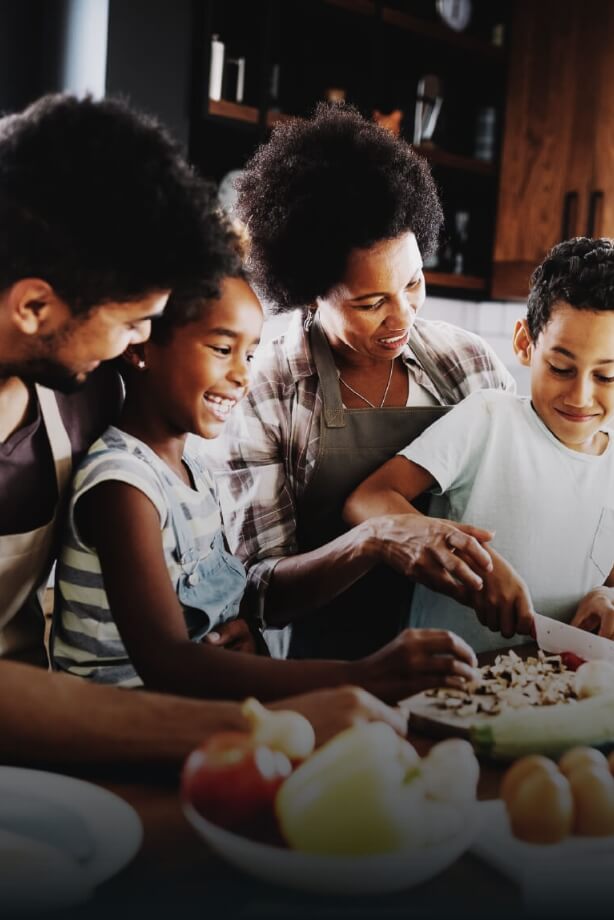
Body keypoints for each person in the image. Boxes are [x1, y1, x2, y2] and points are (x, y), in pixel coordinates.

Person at [0, 92, 409, 764]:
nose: (134, 343)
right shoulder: (98, 392)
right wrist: (278, 717)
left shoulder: (83, 388)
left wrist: (229, 635)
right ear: (34, 306)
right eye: (134, 323)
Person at [51, 264, 478, 701]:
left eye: (249, 355)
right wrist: (363, 676)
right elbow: (168, 663)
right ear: (139, 347)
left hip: (188, 710)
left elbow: (207, 624)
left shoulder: (191, 471)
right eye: (222, 349)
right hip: (121, 723)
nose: (242, 375)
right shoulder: (123, 485)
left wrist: (243, 633)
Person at [214, 103, 515, 662]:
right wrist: (373, 541)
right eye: (372, 302)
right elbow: (260, 592)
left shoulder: (467, 364)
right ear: (310, 292)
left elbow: (527, 502)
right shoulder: (267, 387)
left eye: (414, 283)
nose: (403, 317)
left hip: (465, 659)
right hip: (323, 668)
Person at [344, 237, 614, 651]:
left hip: (561, 685)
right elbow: (367, 500)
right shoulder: (489, 418)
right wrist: (466, 557)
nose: (580, 396)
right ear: (524, 344)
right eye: (561, 368)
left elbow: (605, 572)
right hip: (444, 676)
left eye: (606, 376)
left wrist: (606, 595)